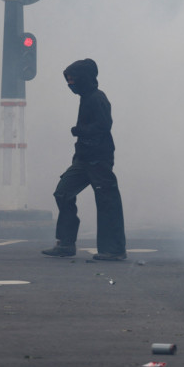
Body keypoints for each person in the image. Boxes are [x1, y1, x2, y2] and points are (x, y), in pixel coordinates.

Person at [42, 59, 127, 260]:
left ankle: (114, 249)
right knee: (63, 192)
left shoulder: (97, 98)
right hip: (83, 159)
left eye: (73, 80)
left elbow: (104, 126)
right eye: (68, 80)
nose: (70, 84)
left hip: (99, 160)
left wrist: (79, 131)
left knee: (107, 202)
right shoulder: (87, 97)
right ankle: (65, 243)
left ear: (84, 79)